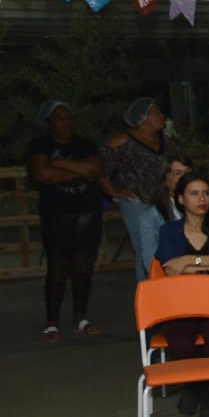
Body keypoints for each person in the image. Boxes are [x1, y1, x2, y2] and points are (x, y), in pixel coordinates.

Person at [154, 171, 209, 417]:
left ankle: (200, 391)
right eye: (194, 193)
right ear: (181, 199)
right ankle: (203, 392)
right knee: (181, 342)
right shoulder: (170, 231)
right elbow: (170, 266)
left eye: (206, 193)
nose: (202, 199)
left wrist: (189, 260)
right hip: (179, 305)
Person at [27, 100, 103, 340]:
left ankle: (81, 317)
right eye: (60, 118)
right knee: (57, 268)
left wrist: (57, 164)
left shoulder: (85, 144)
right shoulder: (40, 145)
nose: (66, 122)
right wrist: (79, 170)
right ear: (49, 123)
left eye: (68, 117)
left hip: (87, 213)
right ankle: (52, 322)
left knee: (83, 267)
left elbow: (95, 170)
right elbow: (41, 174)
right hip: (56, 214)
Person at [101, 96, 170, 281]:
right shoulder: (122, 141)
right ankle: (147, 291)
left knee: (165, 246)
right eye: (157, 113)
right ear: (143, 117)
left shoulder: (164, 140)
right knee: (144, 249)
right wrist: (113, 191)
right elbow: (100, 169)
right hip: (136, 202)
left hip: (162, 200)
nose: (162, 116)